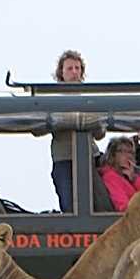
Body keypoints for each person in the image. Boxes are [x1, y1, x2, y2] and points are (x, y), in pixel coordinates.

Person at [49, 49, 103, 212]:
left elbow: (100, 133)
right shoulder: (51, 100)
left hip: (91, 157)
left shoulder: (90, 99)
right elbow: (38, 127)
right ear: (61, 73)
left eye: (77, 68)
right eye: (70, 68)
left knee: (98, 203)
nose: (74, 72)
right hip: (64, 159)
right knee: (69, 207)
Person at [98, 137, 140, 212]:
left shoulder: (133, 174)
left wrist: (135, 178)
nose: (129, 156)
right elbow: (123, 207)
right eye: (123, 151)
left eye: (131, 152)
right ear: (112, 155)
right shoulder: (111, 177)